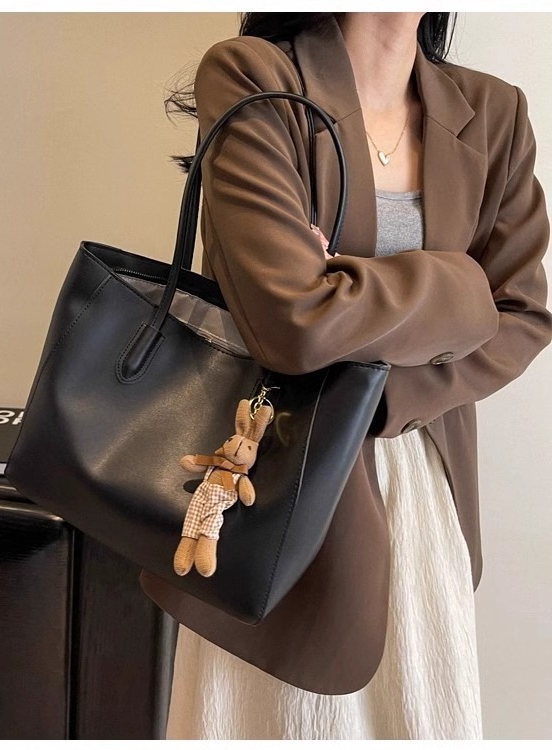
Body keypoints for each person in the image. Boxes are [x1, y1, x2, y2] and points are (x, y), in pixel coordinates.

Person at [137, 11, 552, 740]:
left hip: (423, 483)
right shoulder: (253, 76)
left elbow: (520, 316)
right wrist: (462, 285)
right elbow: (292, 323)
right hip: (272, 481)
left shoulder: (494, 112)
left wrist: (349, 308)